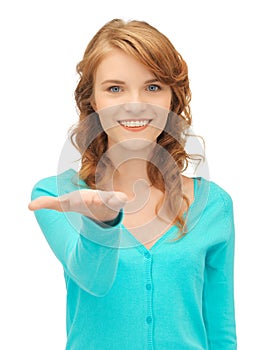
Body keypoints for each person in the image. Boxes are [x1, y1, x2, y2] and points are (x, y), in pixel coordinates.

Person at [28, 19, 237, 349]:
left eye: (153, 87)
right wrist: (102, 223)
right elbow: (93, 279)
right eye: (115, 88)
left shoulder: (214, 205)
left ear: (173, 99)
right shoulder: (56, 196)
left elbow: (220, 329)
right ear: (92, 101)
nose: (136, 103)